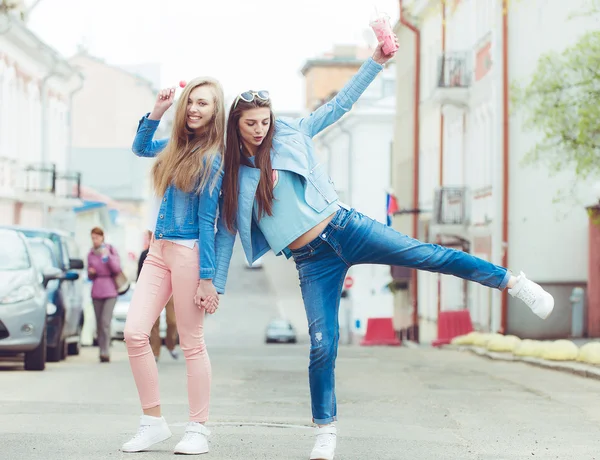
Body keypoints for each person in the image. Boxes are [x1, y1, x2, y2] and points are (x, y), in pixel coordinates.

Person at [213, 39, 555, 460]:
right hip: (311, 261)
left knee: (431, 254)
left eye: (265, 120)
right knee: (323, 342)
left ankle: (513, 282)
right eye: (251, 123)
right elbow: (225, 231)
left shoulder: (292, 134)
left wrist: (376, 61)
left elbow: (339, 106)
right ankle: (325, 430)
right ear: (236, 124)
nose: (261, 129)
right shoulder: (231, 173)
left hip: (346, 227)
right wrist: (213, 282)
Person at [122, 77, 224, 455]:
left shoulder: (213, 159)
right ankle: (153, 423)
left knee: (191, 343)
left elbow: (207, 222)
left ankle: (198, 428)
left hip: (189, 254)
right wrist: (159, 110)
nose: (195, 108)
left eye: (204, 104)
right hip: (158, 250)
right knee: (134, 333)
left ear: (215, 112)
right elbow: (140, 146)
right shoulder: (174, 147)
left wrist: (207, 278)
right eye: (192, 102)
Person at [137, 230, 178, 362]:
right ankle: (155, 351)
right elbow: (140, 275)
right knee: (154, 323)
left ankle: (171, 345)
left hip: (170, 290)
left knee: (173, 321)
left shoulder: (171, 252)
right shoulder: (145, 254)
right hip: (152, 291)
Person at [87, 226, 121, 363]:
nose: (95, 240)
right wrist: (91, 272)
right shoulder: (90, 253)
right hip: (97, 290)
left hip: (110, 290)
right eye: (93, 238)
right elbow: (89, 274)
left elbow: (117, 268)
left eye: (97, 237)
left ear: (102, 237)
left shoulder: (110, 250)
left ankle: (106, 350)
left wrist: (107, 255)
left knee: (105, 322)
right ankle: (101, 349)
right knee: (99, 323)